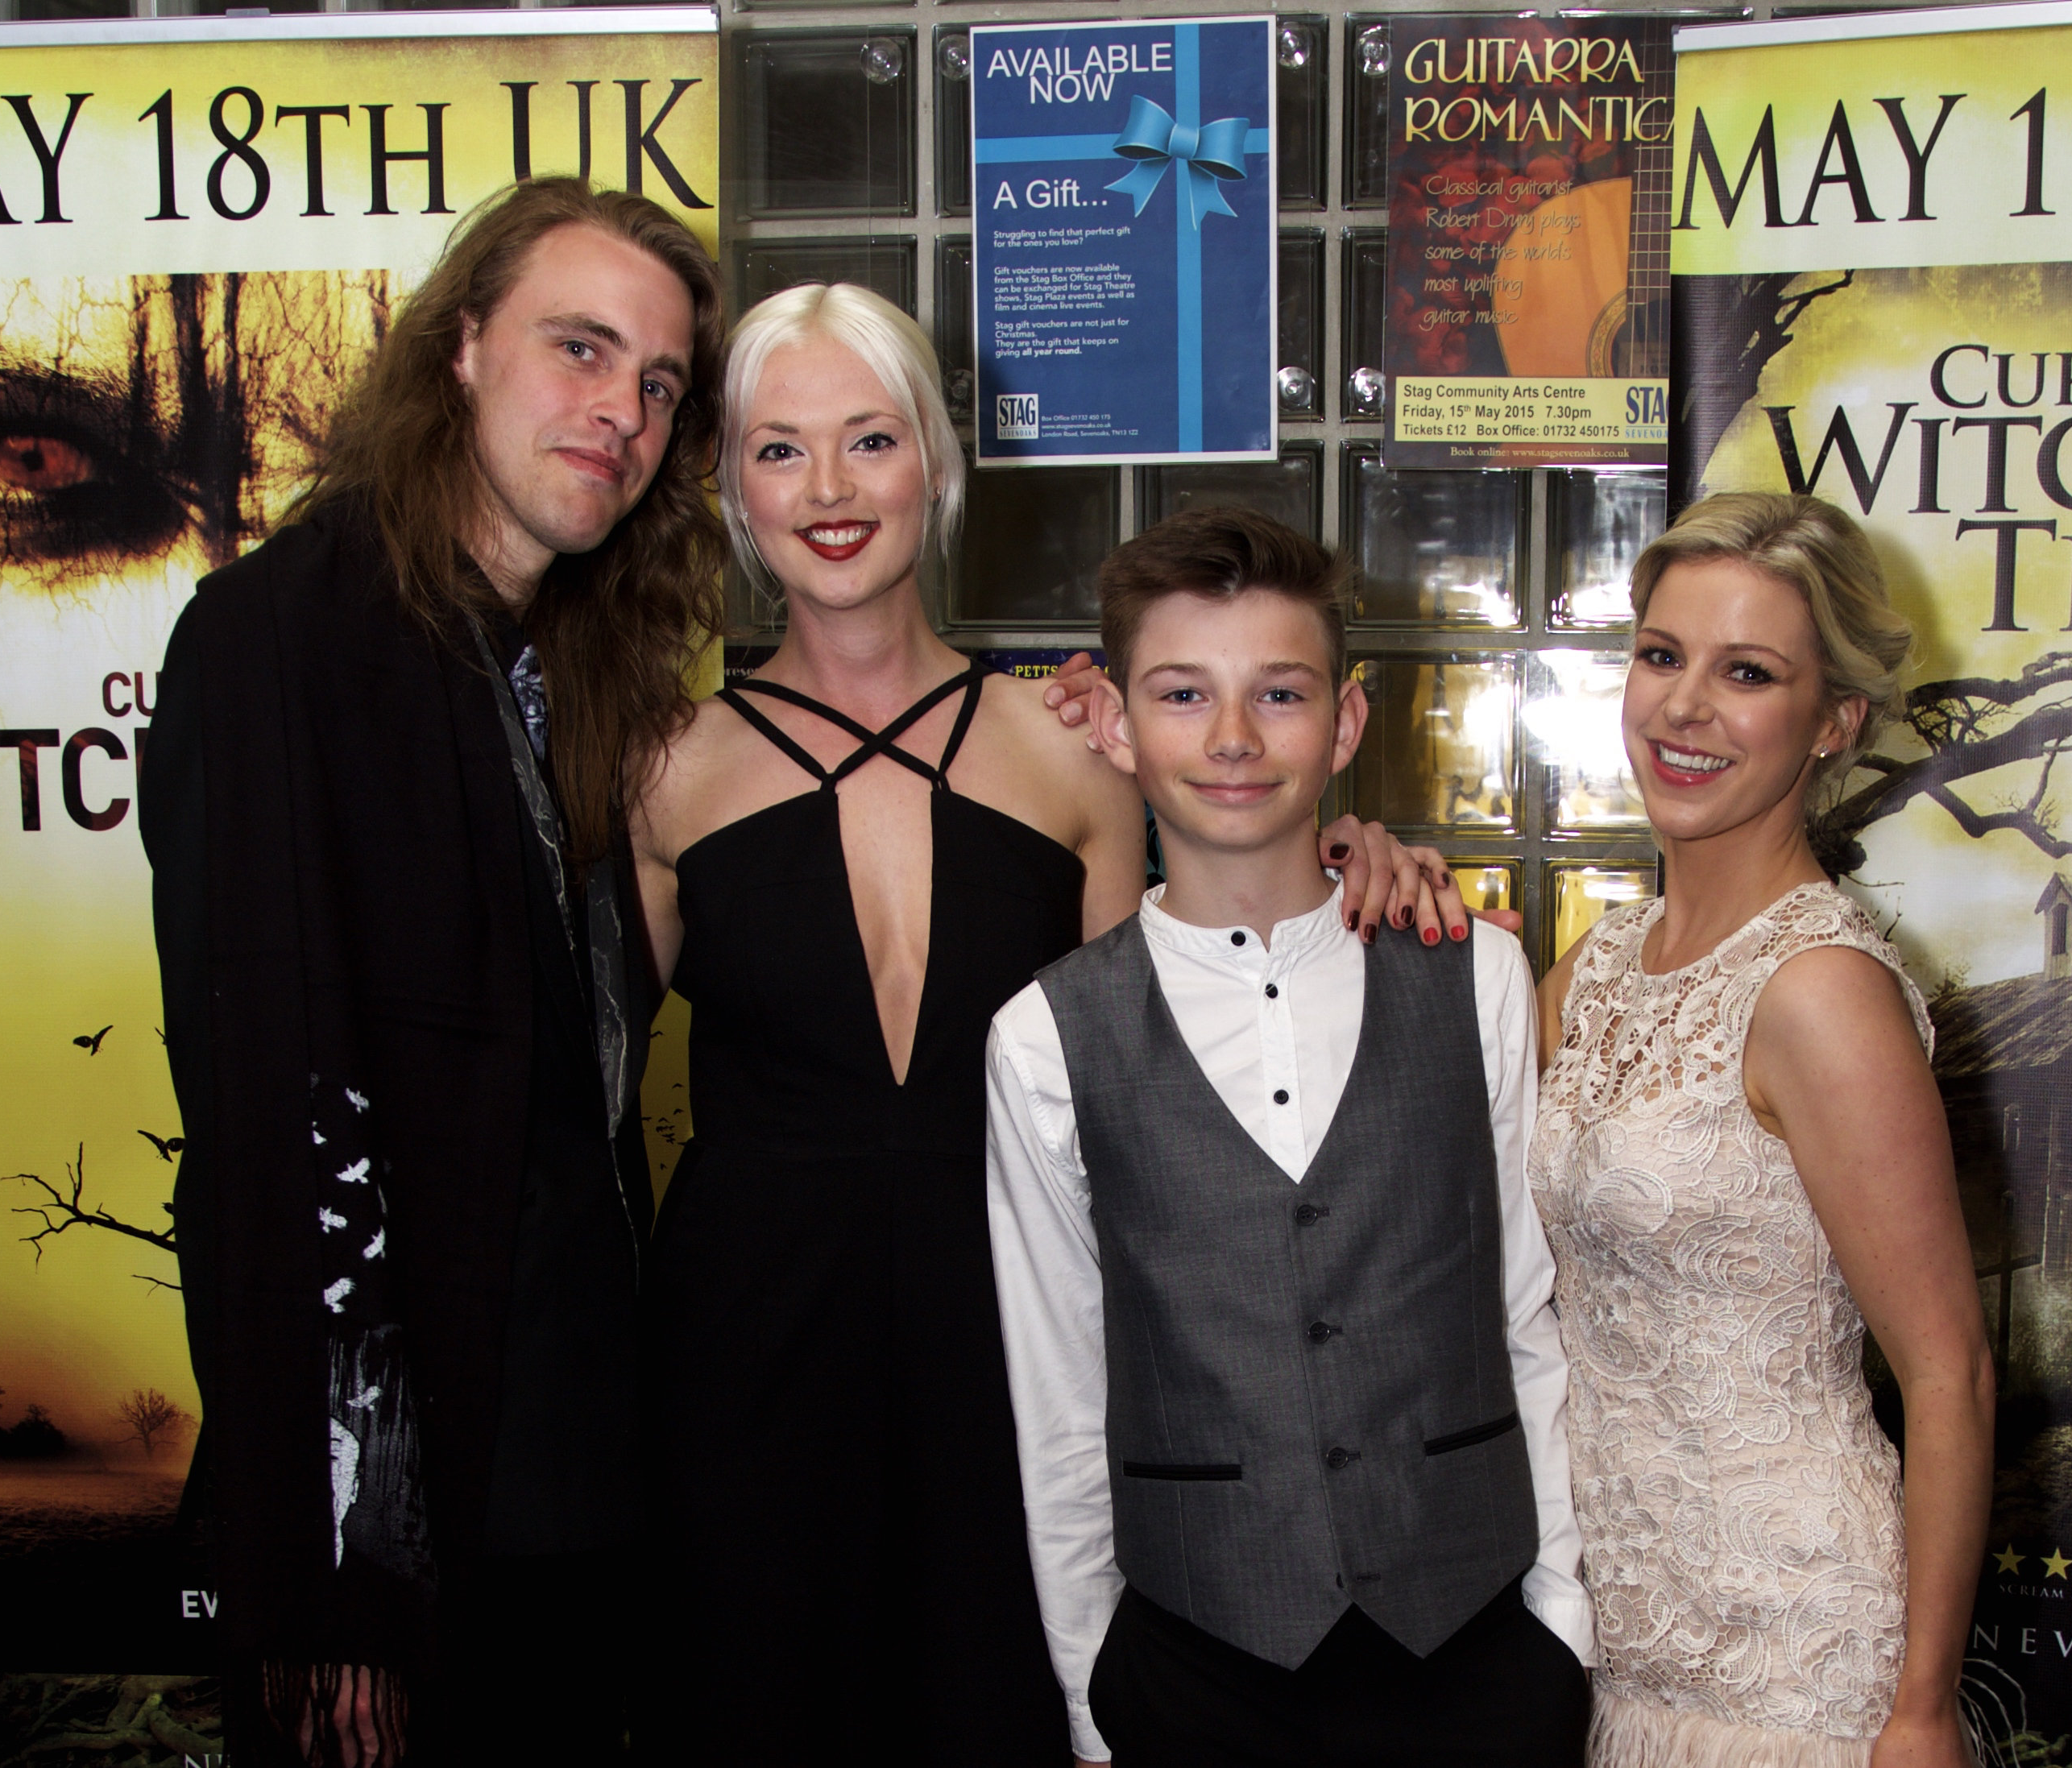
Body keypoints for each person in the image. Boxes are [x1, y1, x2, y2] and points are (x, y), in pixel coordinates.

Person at [628, 292, 1477, 1764]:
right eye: (780, 450)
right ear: (731, 490)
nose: (828, 491)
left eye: (869, 440)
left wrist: (1354, 850)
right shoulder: (659, 769)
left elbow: (1189, 1042)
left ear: (935, 467)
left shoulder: (1073, 749)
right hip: (741, 1368)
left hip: (1015, 1359)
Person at [146, 176, 725, 1766]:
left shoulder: (568, 664)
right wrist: (342, 1579)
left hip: (578, 1493)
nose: (620, 409)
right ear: (461, 346)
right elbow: (274, 1137)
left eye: (659, 382)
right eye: (579, 348)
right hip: (409, 1539)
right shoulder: (280, 638)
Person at [983, 507, 1594, 1768]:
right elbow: (1058, 1388)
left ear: (1345, 720)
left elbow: (1526, 1315)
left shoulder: (1472, 975)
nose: (1229, 738)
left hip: (1475, 1644)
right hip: (1199, 1660)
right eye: (1180, 693)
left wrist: (1562, 1624)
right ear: (1111, 724)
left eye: (1277, 692)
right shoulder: (1044, 1036)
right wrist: (1091, 1696)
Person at [1531, 491, 1994, 1768]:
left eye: (1746, 672)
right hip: (1606, 1637)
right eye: (1661, 654)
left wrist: (1919, 1709)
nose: (1682, 707)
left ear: (1831, 723)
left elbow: (1948, 1369)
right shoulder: (1599, 964)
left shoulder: (1821, 991)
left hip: (1791, 1668)